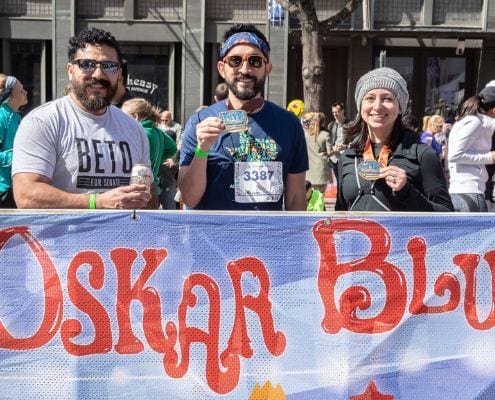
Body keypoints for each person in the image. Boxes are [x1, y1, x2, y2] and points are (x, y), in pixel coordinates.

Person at [12, 27, 153, 209]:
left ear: (119, 74)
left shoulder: (134, 129)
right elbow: (26, 195)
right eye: (87, 64)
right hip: (64, 237)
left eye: (109, 66)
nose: (98, 74)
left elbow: (149, 196)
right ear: (70, 70)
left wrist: (145, 200)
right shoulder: (43, 121)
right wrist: (97, 202)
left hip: (122, 237)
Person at [178, 23, 308, 210]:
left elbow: (296, 197)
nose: (245, 70)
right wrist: (202, 150)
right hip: (211, 238)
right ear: (222, 68)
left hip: (266, 238)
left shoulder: (289, 124)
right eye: (235, 61)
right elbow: (189, 199)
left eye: (254, 61)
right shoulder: (200, 121)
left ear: (267, 68)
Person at [335, 67, 453, 212]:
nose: (377, 106)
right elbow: (339, 213)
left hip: (405, 235)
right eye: (370, 98)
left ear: (400, 107)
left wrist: (406, 191)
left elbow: (446, 215)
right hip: (356, 235)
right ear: (360, 107)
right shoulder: (347, 157)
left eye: (387, 99)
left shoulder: (423, 155)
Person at [447, 87, 495, 212]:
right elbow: (455, 155)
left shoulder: (470, 121)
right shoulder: (475, 122)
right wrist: (490, 157)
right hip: (469, 191)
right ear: (493, 110)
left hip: (466, 191)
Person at [121, 98, 177, 204]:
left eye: (124, 116)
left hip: (136, 189)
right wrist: (158, 157)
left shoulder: (138, 133)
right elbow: (172, 148)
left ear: (135, 116)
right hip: (153, 187)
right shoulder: (158, 132)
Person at [0, 74, 28, 208]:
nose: (26, 92)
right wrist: (18, 156)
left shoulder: (17, 117)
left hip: (15, 186)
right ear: (9, 98)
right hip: (3, 189)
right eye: (21, 91)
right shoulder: (1, 117)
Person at [302, 111, 332, 193]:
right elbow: (330, 152)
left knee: (311, 196)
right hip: (321, 169)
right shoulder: (325, 135)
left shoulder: (305, 135)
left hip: (309, 170)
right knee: (320, 196)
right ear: (323, 122)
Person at [326, 101, 349, 183]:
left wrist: (345, 147)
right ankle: (339, 195)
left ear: (343, 111)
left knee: (345, 181)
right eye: (333, 112)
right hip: (334, 158)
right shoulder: (331, 125)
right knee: (338, 182)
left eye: (337, 112)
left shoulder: (350, 125)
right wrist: (332, 148)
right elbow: (328, 141)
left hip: (346, 157)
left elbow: (356, 142)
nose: (335, 114)